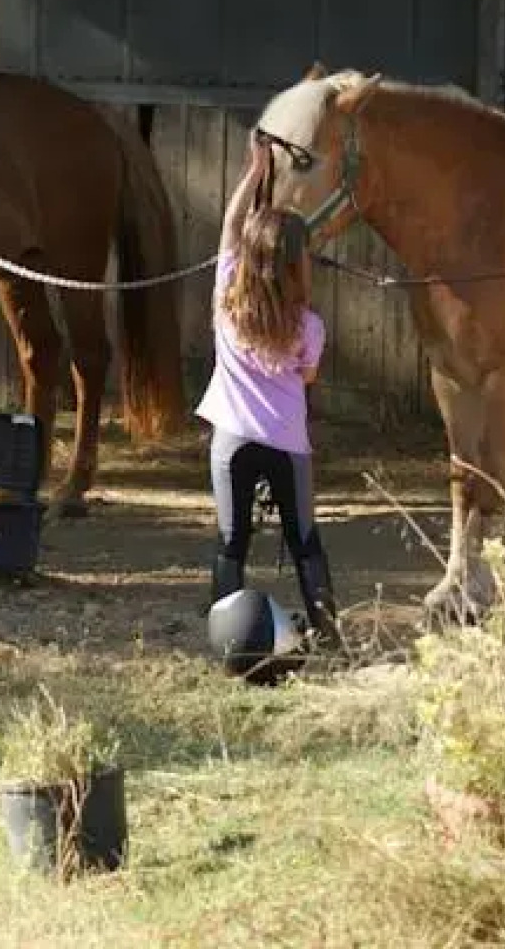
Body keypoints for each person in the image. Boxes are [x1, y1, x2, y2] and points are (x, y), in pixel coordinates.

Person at [195, 138, 341, 644]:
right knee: (304, 540)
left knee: (231, 543)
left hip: (232, 442)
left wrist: (255, 173)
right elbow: (306, 379)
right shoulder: (309, 328)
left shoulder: (225, 297)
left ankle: (223, 639)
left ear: (249, 258)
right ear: (298, 265)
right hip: (286, 446)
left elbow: (231, 227)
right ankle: (328, 632)